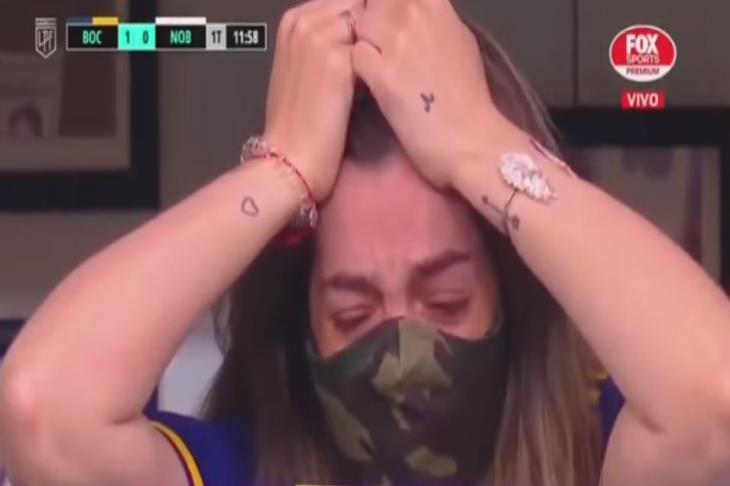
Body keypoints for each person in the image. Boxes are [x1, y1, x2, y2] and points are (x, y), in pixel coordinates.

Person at [1, 0, 730, 485]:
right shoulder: (239, 469)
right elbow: (44, 411)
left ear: (511, 290)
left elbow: (717, 401)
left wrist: (482, 150)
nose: (403, 350)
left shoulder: (597, 452)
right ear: (300, 323)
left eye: (447, 299)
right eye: (353, 313)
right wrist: (282, 170)